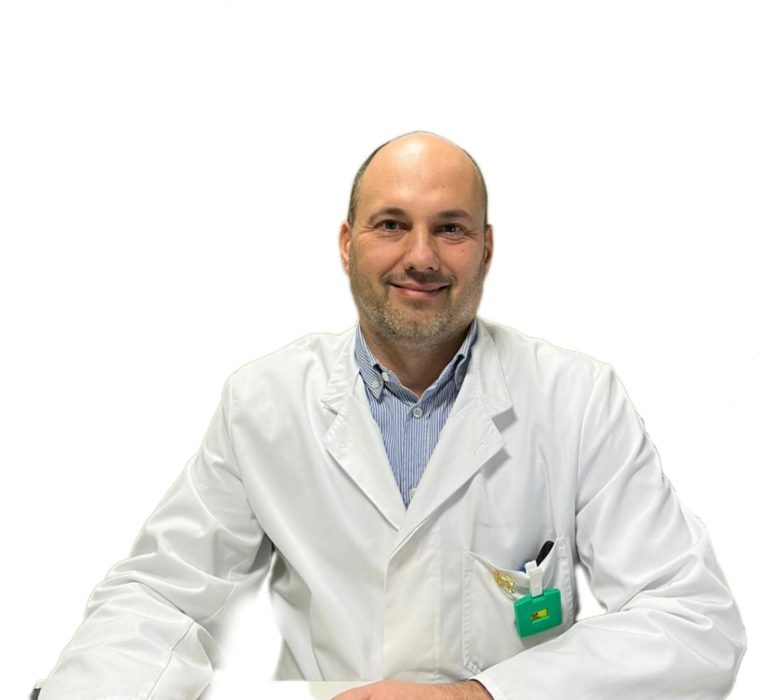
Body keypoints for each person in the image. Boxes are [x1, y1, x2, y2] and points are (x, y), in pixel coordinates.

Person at [37, 132, 745, 699]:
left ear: (487, 248)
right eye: (391, 225)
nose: (421, 256)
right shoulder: (265, 401)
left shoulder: (578, 398)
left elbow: (694, 619)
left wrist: (483, 697)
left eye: (451, 228)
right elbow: (160, 594)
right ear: (347, 244)